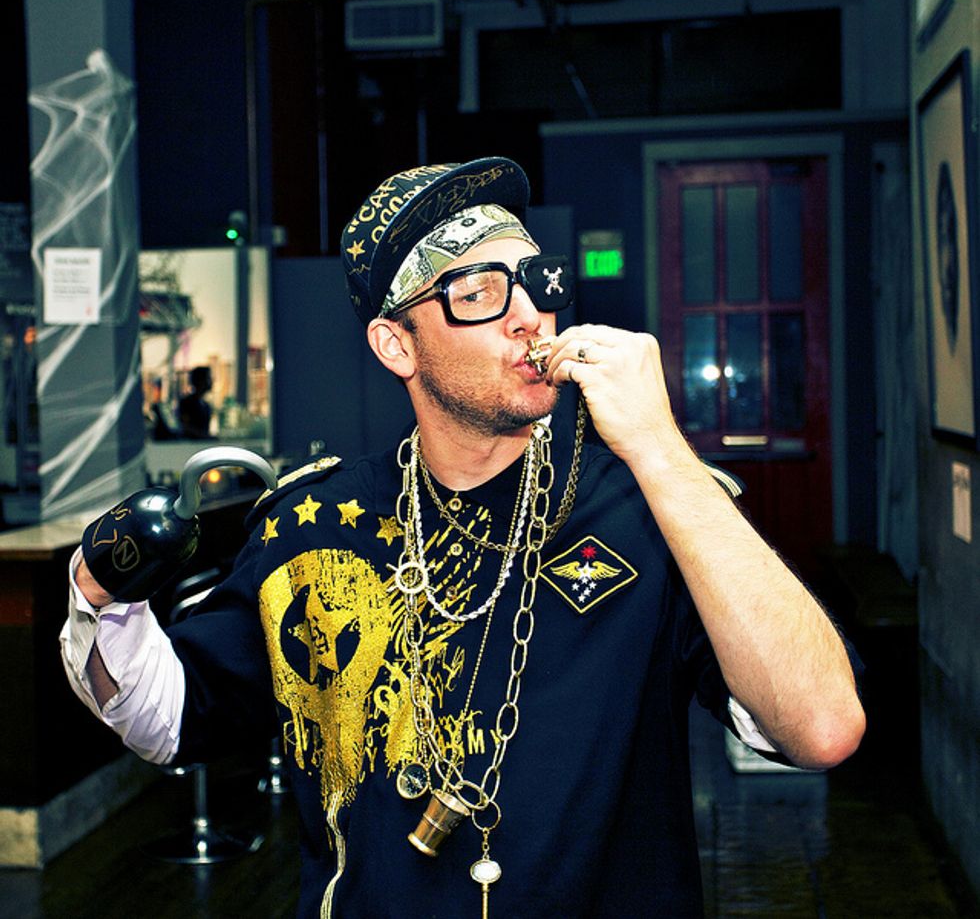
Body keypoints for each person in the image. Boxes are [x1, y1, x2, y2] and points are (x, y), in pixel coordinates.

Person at [61, 157, 865, 919]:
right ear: (397, 345)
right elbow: (170, 719)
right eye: (478, 292)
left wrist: (660, 449)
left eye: (536, 281)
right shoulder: (315, 524)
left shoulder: (651, 509)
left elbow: (822, 729)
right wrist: (102, 600)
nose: (529, 315)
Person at [178, 364, 214, 438]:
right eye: (208, 378)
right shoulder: (187, 403)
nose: (211, 381)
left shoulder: (206, 405)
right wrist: (204, 436)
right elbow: (185, 427)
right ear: (200, 381)